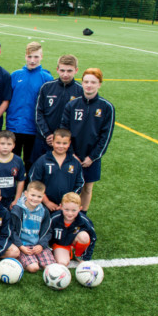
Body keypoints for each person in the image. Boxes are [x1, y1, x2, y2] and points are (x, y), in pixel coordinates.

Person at [61, 68, 115, 213]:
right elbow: (64, 131)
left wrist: (93, 157)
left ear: (99, 84)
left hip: (91, 157)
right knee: (69, 186)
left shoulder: (106, 107)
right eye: (86, 82)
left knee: (87, 187)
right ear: (82, 83)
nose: (89, 85)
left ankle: (82, 214)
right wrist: (71, 153)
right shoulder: (72, 105)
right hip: (72, 154)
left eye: (93, 82)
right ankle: (66, 214)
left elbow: (106, 136)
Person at [7, 42, 54, 171]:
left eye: (36, 57)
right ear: (25, 56)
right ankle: (13, 188)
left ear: (42, 56)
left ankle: (27, 189)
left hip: (34, 129)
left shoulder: (47, 78)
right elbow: (7, 100)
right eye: (30, 57)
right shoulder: (15, 75)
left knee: (30, 161)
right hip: (14, 127)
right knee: (12, 161)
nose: (32, 61)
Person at [33, 54, 83, 163]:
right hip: (45, 139)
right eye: (62, 70)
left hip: (66, 144)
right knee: (38, 172)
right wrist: (47, 134)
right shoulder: (47, 87)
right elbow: (38, 112)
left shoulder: (81, 91)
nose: (65, 74)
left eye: (69, 71)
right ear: (57, 69)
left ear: (76, 70)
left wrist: (63, 139)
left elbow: (80, 121)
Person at [29, 129, 84, 212]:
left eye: (64, 143)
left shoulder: (75, 163)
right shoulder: (42, 160)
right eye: (58, 143)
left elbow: (80, 183)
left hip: (66, 207)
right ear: (53, 142)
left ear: (69, 144)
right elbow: (34, 182)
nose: (61, 146)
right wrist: (47, 202)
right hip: (43, 205)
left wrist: (67, 202)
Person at [10, 181, 55, 273]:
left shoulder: (44, 211)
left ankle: (37, 256)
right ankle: (20, 259)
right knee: (33, 268)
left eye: (39, 196)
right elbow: (11, 230)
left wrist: (41, 245)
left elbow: (48, 231)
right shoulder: (17, 209)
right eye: (33, 195)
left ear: (43, 197)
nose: (35, 199)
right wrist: (20, 246)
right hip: (23, 245)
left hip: (37, 244)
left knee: (50, 267)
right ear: (26, 194)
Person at [49, 192, 97, 265]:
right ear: (61, 207)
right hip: (60, 244)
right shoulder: (54, 218)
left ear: (80, 209)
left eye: (74, 210)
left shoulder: (84, 220)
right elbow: (45, 233)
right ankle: (65, 251)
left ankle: (78, 254)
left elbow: (93, 238)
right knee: (63, 262)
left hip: (74, 240)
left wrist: (86, 258)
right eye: (66, 209)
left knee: (84, 237)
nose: (70, 213)